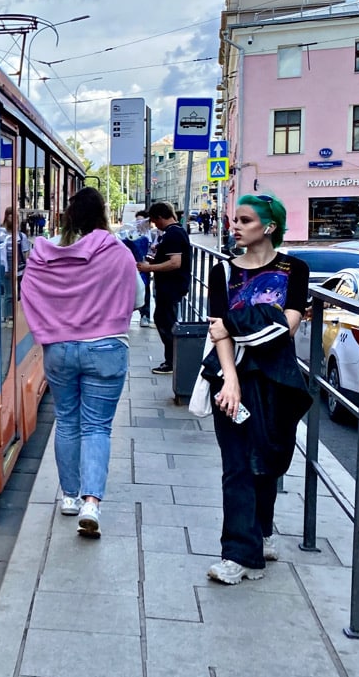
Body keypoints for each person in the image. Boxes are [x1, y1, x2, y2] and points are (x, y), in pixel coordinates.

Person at [203, 193, 310, 584]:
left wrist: (235, 323)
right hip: (233, 376)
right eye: (235, 220)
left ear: (269, 227)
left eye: (245, 221)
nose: (236, 226)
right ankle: (239, 555)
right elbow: (219, 332)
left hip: (277, 379)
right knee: (236, 466)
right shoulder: (222, 272)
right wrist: (229, 378)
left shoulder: (294, 269)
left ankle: (262, 532)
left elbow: (288, 326)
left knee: (268, 461)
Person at [20, 188, 136, 538]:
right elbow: (139, 297)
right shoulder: (117, 251)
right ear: (101, 213)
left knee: (67, 421)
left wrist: (52, 325)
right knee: (96, 427)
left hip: (60, 349)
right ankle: (91, 503)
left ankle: (69, 497)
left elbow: (29, 290)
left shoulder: (45, 252)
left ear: (69, 215)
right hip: (106, 347)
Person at [138, 202, 190, 375]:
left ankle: (172, 361)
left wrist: (149, 268)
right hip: (170, 285)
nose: (154, 224)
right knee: (163, 319)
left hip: (171, 286)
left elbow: (175, 263)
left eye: (154, 220)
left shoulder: (173, 234)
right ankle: (172, 360)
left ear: (160, 217)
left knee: (165, 321)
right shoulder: (174, 232)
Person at [121, 211, 152, 327]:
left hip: (144, 266)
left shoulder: (150, 234)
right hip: (133, 266)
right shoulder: (130, 233)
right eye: (137, 220)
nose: (138, 223)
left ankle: (145, 315)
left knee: (145, 290)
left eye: (141, 220)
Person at [0, 206, 31, 314]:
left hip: (19, 266)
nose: (13, 219)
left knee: (19, 293)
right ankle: (8, 316)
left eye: (15, 217)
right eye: (10, 216)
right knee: (8, 293)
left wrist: (27, 268)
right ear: (6, 217)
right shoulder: (0, 233)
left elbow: (26, 252)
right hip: (5, 265)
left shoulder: (21, 236)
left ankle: (15, 314)